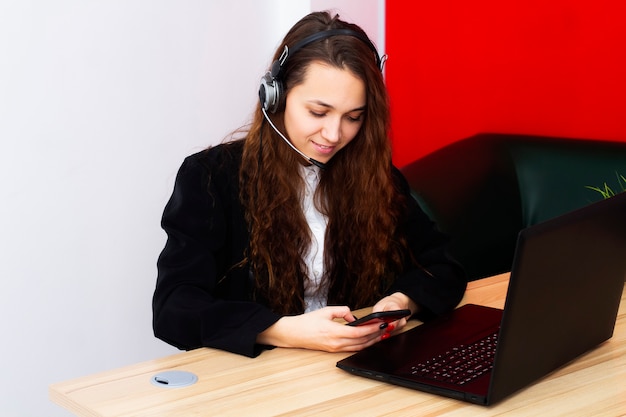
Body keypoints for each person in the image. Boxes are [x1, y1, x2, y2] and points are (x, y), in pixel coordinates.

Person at [152, 11, 467, 358]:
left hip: (349, 374)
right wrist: (283, 329)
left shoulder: (376, 177)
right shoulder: (210, 177)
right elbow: (174, 308)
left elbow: (444, 266)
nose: (334, 135)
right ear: (276, 96)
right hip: (256, 381)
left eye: (353, 117)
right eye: (318, 112)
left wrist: (400, 302)